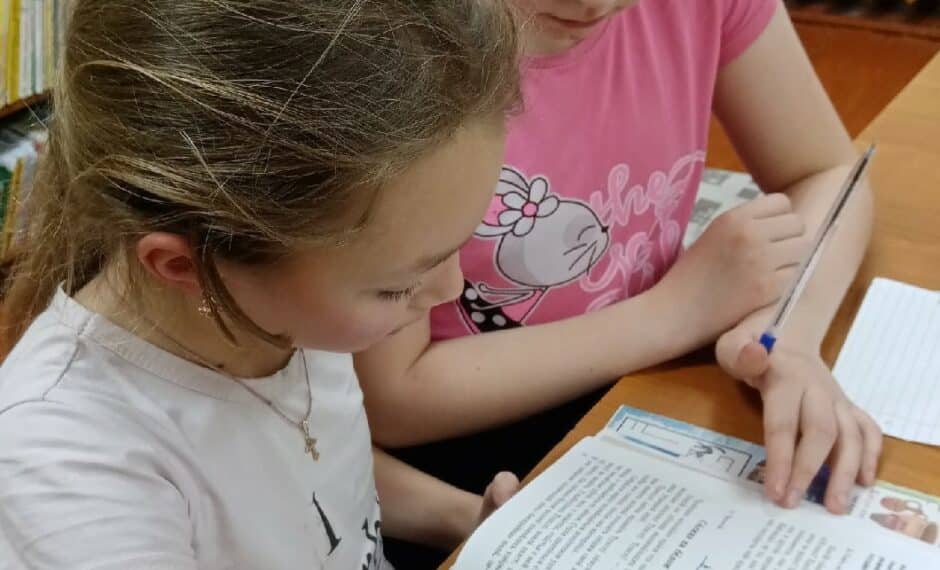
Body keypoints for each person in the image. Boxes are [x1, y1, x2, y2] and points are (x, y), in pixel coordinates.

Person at [0, 1, 523, 567]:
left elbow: (305, 473)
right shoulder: (70, 472)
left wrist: (467, 522)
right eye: (395, 287)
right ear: (184, 266)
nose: (452, 288)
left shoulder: (278, 305)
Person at [357, 0, 884, 555]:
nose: (593, 6)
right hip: (466, 455)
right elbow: (391, 399)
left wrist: (785, 331)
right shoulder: (399, 43)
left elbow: (828, 171)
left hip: (646, 394)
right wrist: (673, 315)